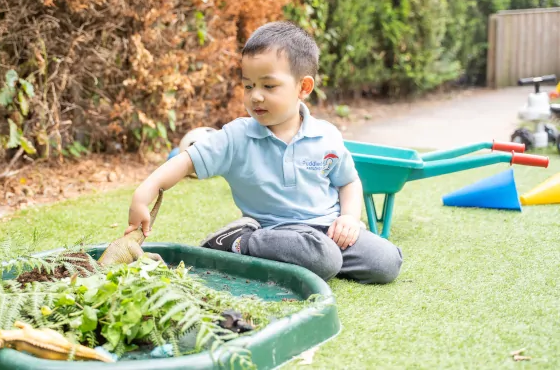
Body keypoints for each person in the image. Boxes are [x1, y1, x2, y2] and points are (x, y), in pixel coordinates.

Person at [124, 21, 403, 284]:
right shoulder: (237, 137)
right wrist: (143, 194)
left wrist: (349, 219)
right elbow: (185, 162)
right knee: (324, 258)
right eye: (248, 86)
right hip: (275, 233)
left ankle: (307, 260)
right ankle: (237, 241)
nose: (255, 96)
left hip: (328, 231)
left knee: (387, 261)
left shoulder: (326, 135)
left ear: (303, 87)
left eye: (268, 86)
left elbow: (348, 182)